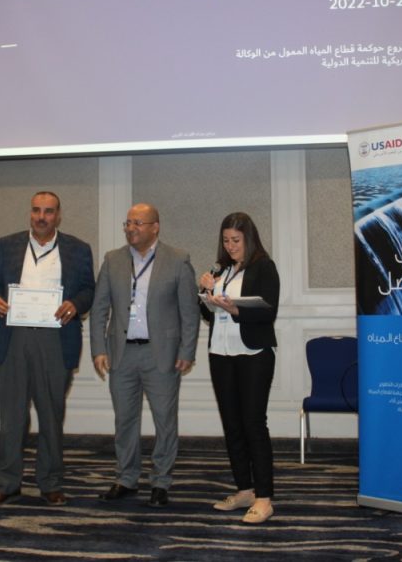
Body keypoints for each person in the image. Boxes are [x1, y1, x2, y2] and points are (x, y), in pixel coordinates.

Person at [0, 191, 95, 507]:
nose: (41, 217)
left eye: (48, 211)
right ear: (30, 213)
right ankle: (7, 482)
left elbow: (89, 289)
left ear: (58, 215)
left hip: (56, 340)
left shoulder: (78, 249)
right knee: (12, 416)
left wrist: (76, 303)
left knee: (50, 415)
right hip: (14, 337)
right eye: (36, 210)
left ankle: (50, 482)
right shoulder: (7, 245)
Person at [90, 202, 200, 507]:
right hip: (121, 354)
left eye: (138, 223)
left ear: (155, 227)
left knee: (165, 420)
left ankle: (161, 482)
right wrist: (98, 349)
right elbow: (100, 309)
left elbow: (189, 312)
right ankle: (126, 478)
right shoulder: (112, 260)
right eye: (128, 223)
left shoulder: (178, 260)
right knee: (125, 420)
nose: (131, 228)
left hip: (161, 354)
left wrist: (187, 350)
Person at [198, 212, 279, 525]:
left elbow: (268, 312)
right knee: (232, 424)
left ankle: (264, 498)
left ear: (249, 239)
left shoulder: (264, 267)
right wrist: (205, 294)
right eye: (226, 240)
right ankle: (245, 490)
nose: (230, 246)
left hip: (253, 352)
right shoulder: (220, 270)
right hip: (220, 352)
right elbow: (208, 315)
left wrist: (234, 309)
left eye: (236, 240)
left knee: (253, 423)